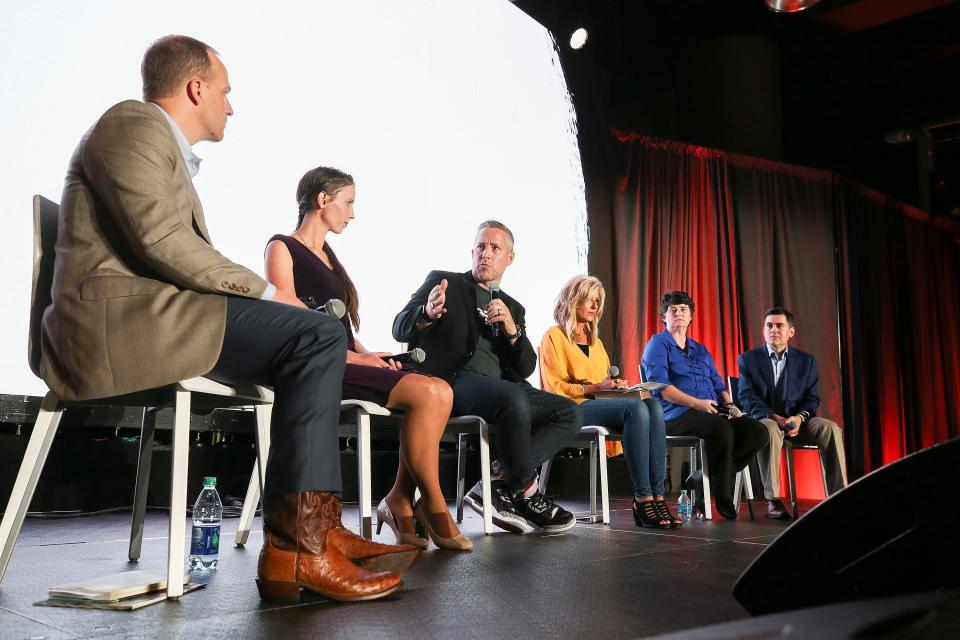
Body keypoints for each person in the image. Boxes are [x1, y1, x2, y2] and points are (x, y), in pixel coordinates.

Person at [40, 35, 416, 602]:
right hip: (120, 329)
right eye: (225, 92)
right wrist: (268, 293)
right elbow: (163, 242)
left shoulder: (155, 145)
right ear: (196, 88)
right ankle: (300, 546)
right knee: (313, 332)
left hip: (157, 317)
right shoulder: (131, 125)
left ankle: (314, 534)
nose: (231, 106)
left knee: (311, 333)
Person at [264, 166, 471, 551]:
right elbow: (289, 320)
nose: (353, 213)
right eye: (348, 202)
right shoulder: (282, 247)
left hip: (346, 358)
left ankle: (398, 500)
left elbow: (340, 326)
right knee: (428, 394)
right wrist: (355, 360)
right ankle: (433, 504)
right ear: (323, 200)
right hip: (321, 368)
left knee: (440, 388)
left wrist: (366, 353)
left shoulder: (328, 257)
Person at [392, 221, 581, 534]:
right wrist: (426, 313)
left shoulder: (513, 307)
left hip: (506, 389)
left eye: (495, 248)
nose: (486, 253)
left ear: (509, 257)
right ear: (472, 251)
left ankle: (496, 482)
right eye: (481, 246)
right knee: (513, 398)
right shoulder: (443, 283)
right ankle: (526, 491)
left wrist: (511, 332)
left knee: (570, 411)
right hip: (454, 381)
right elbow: (399, 327)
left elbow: (525, 368)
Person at [540, 276, 679, 528]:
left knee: (653, 405)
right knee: (636, 408)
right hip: (571, 408)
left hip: (598, 404)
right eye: (589, 299)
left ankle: (658, 497)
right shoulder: (554, 336)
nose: (595, 306)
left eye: (597, 301)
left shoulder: (597, 343)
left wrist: (615, 388)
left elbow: (602, 384)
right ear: (573, 300)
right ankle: (642, 497)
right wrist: (596, 387)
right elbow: (555, 388)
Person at [641, 291, 768, 520]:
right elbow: (662, 389)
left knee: (757, 431)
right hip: (673, 414)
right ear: (664, 317)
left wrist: (729, 407)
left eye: (683, 310)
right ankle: (722, 495)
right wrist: (696, 404)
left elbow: (718, 384)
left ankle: (702, 478)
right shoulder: (657, 344)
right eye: (673, 310)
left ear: (691, 317)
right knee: (720, 428)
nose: (678, 313)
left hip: (710, 412)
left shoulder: (701, 350)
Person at [736, 307, 848, 519]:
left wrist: (799, 418)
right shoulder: (748, 359)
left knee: (830, 428)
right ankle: (773, 499)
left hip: (798, 421)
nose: (774, 330)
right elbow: (746, 395)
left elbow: (812, 398)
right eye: (769, 325)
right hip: (766, 419)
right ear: (763, 330)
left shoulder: (806, 361)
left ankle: (839, 495)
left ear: (791, 332)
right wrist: (774, 417)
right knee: (768, 429)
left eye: (780, 326)